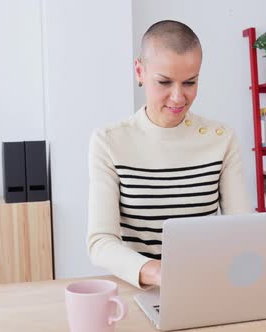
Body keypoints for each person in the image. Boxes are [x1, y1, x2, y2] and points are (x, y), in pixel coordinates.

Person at [87, 20, 252, 289]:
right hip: (144, 290)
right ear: (139, 71)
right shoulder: (109, 142)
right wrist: (159, 273)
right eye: (164, 82)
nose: (178, 97)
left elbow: (243, 229)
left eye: (190, 82)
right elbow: (100, 242)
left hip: (208, 284)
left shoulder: (221, 139)